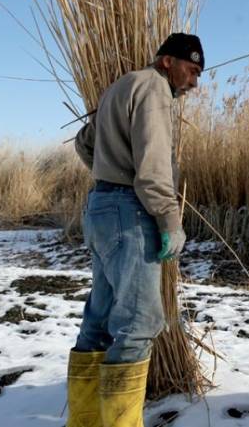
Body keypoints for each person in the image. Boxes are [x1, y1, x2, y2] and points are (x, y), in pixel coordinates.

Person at [66, 33, 204, 427]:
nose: (194, 82)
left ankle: (85, 422)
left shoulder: (120, 86)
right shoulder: (154, 90)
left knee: (100, 318)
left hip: (101, 209)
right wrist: (169, 219)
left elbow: (83, 142)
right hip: (129, 212)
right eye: (191, 70)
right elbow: (154, 167)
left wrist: (107, 171)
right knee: (140, 322)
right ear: (167, 62)